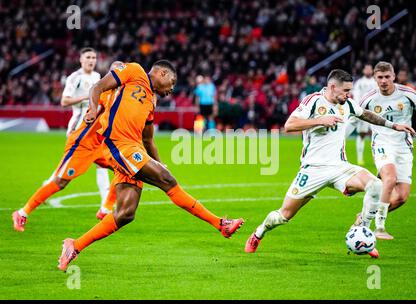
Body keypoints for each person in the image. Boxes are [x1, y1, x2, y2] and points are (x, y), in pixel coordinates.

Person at [57, 60, 244, 271]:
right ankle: (220, 224)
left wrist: (161, 164)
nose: (171, 90)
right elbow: (97, 87)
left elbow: (148, 140)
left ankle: (74, 246)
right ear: (162, 73)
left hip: (133, 150)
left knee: (126, 213)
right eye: (171, 84)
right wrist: (92, 109)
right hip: (119, 145)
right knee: (168, 182)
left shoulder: (151, 102)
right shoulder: (134, 71)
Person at [244, 69, 415, 257]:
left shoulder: (347, 104)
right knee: (283, 215)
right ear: (333, 87)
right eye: (346, 91)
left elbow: (366, 114)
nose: (348, 95)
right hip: (313, 170)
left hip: (340, 168)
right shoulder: (314, 101)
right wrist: (319, 120)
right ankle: (258, 233)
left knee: (376, 185)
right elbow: (289, 125)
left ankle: (362, 233)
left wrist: (393, 125)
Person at [11, 61, 125, 232]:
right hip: (82, 145)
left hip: (100, 146)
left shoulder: (120, 95)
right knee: (61, 181)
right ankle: (22, 212)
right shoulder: (103, 92)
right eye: (116, 72)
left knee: (125, 169)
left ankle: (105, 210)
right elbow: (98, 104)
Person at [357, 61, 416, 240]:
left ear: (394, 77)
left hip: (404, 147)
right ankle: (379, 228)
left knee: (401, 197)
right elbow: (351, 117)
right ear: (375, 78)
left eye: (387, 77)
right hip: (381, 143)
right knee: (390, 178)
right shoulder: (368, 98)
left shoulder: (408, 94)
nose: (383, 81)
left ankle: (363, 217)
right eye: (380, 77)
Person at [60, 47, 111, 212]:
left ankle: (106, 204)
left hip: (94, 129)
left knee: (102, 165)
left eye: (94, 57)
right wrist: (87, 96)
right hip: (78, 128)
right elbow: (64, 101)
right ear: (81, 60)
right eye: (88, 57)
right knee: (66, 169)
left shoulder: (97, 77)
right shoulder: (74, 78)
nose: (91, 60)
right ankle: (49, 185)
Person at [345, 64, 378, 165]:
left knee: (362, 134)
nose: (368, 70)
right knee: (344, 133)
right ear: (363, 70)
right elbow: (356, 95)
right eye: (366, 68)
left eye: (369, 68)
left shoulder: (375, 82)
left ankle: (360, 159)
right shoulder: (359, 82)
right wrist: (358, 107)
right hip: (357, 110)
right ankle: (337, 150)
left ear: (372, 70)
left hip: (369, 112)